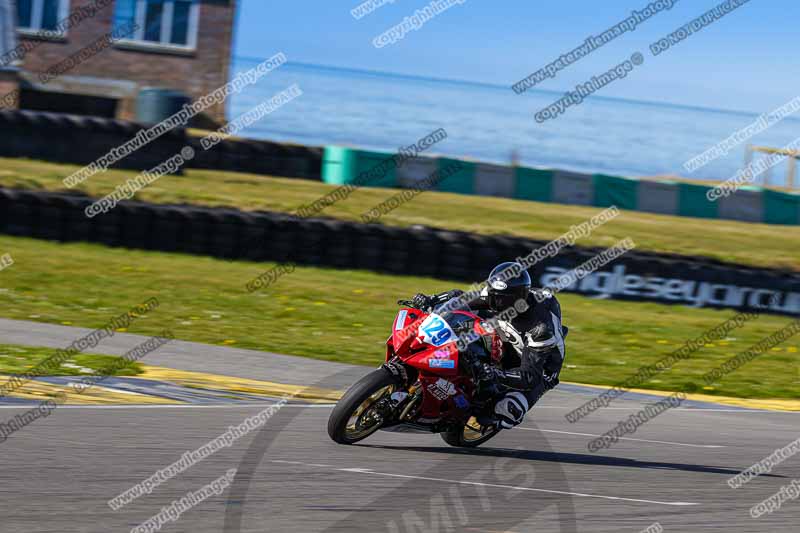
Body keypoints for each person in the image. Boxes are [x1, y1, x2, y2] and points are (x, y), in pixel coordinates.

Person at [408, 261, 567, 429]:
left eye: (503, 300)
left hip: (539, 367)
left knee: (508, 410)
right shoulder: (497, 295)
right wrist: (431, 301)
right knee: (465, 335)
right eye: (494, 297)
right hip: (508, 337)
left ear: (519, 300)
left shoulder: (540, 328)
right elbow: (458, 298)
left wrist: (495, 373)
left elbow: (529, 377)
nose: (497, 304)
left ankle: (486, 412)